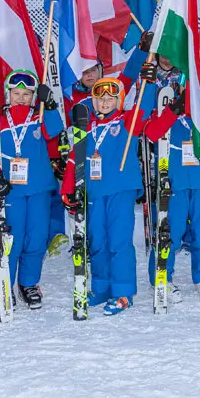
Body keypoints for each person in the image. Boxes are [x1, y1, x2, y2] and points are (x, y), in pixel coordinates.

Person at [60, 73, 159, 315]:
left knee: (119, 241)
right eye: (100, 97)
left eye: (111, 98)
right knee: (98, 241)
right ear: (93, 101)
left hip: (120, 190)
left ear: (119, 100)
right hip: (94, 191)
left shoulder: (126, 122)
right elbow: (75, 157)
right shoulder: (86, 125)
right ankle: (102, 287)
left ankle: (123, 292)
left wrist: (149, 82)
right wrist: (67, 188)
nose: (105, 102)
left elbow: (143, 109)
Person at [0, 70, 65, 309]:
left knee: (36, 237)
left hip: (38, 188)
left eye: (27, 94)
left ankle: (29, 282)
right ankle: (3, 281)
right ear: (7, 95)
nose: (21, 98)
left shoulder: (40, 116)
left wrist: (51, 104)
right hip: (10, 189)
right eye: (16, 93)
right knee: (10, 238)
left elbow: (55, 132)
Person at [140, 79, 200, 304]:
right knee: (170, 231)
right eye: (185, 87)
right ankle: (162, 277)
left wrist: (198, 112)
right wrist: (172, 111)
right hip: (174, 181)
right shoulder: (164, 110)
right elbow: (152, 133)